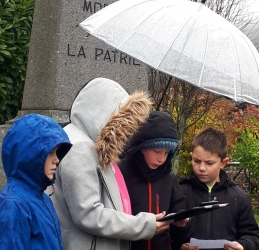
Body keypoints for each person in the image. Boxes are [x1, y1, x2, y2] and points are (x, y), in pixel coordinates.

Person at [49, 77, 172, 250]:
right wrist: (145, 224)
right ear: (104, 114)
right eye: (122, 121)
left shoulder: (90, 145)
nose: (126, 132)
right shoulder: (80, 147)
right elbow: (89, 214)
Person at [172, 128, 259, 250]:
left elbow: (252, 236)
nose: (202, 168)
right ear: (191, 157)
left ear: (223, 163)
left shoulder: (238, 197)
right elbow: (167, 233)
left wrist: (243, 246)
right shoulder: (179, 191)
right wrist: (179, 246)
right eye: (197, 161)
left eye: (209, 163)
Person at [119, 110, 191, 250]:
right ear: (141, 147)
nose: (162, 159)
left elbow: (179, 224)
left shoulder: (169, 178)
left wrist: (183, 224)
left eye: (166, 153)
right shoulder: (120, 173)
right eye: (157, 151)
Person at [0, 114, 72, 250]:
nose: (56, 159)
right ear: (29, 156)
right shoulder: (13, 204)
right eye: (50, 152)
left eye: (57, 152)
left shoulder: (42, 197)